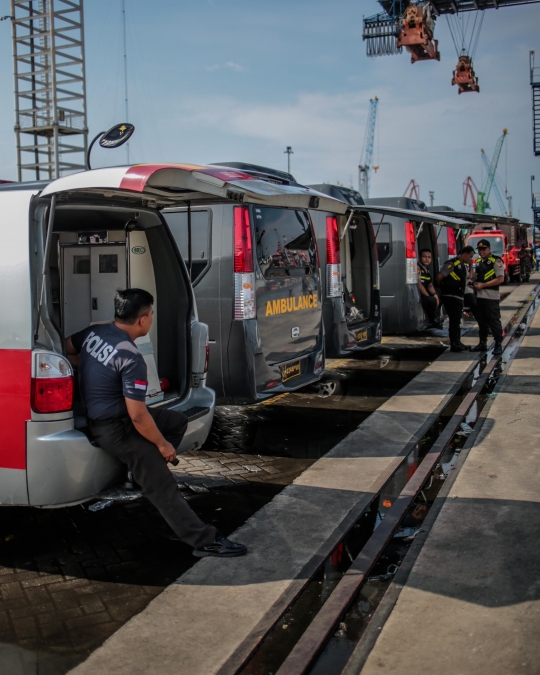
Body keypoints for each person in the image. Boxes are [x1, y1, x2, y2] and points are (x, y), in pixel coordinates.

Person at [66, 288, 246, 559]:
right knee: (164, 486)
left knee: (176, 421)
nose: (151, 318)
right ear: (142, 320)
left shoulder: (96, 333)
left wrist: (90, 364)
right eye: (151, 314)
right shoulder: (130, 356)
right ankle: (203, 540)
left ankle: (141, 474)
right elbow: (138, 415)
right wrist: (162, 446)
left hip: (115, 418)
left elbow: (65, 347)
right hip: (115, 428)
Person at [436, 246, 476, 352]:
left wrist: (471, 266)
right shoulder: (452, 264)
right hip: (450, 296)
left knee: (457, 321)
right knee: (454, 321)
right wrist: (444, 290)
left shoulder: (463, 266)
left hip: (458, 297)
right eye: (470, 256)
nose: (470, 259)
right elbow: (440, 277)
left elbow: (468, 277)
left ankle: (457, 342)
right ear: (465, 254)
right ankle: (455, 344)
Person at [470, 239, 505, 356]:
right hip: (479, 296)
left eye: (484, 249)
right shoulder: (479, 262)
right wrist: (472, 282)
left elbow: (500, 279)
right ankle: (482, 343)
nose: (481, 252)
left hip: (491, 296)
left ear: (489, 249)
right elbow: (476, 276)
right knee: (482, 321)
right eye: (479, 250)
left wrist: (483, 285)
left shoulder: (496, 261)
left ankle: (498, 344)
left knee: (494, 320)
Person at [417, 249, 442, 329]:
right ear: (419, 257)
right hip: (420, 294)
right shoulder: (418, 268)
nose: (427, 259)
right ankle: (432, 320)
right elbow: (419, 284)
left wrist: (435, 295)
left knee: (439, 294)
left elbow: (429, 285)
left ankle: (437, 317)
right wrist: (429, 296)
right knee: (431, 300)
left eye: (429, 257)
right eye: (424, 257)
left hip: (426, 293)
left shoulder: (426, 270)